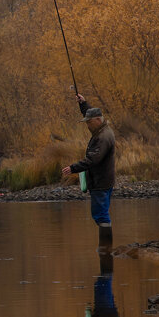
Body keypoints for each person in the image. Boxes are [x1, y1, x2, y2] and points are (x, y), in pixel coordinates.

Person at [61, 94, 116, 245]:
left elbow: (93, 159)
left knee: (100, 215)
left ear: (98, 121)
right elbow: (93, 112)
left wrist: (73, 168)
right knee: (101, 214)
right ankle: (106, 249)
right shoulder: (102, 128)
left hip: (101, 182)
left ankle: (106, 248)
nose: (87, 125)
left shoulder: (103, 137)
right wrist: (83, 104)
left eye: (89, 122)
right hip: (103, 181)